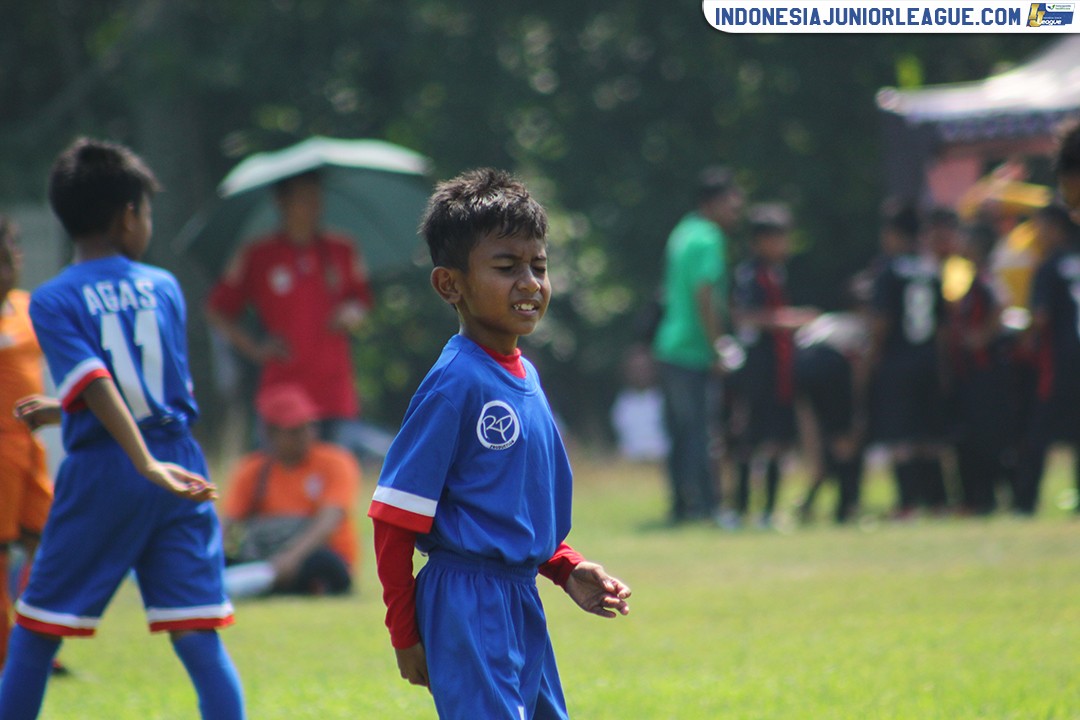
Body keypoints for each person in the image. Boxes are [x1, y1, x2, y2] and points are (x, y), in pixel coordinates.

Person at [368, 168, 631, 719]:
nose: (530, 283)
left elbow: (508, 508)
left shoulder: (526, 378)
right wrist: (404, 631)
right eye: (507, 267)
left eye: (539, 266)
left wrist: (564, 567)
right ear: (450, 284)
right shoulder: (455, 383)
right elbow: (395, 517)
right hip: (466, 599)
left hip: (518, 597)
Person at [0, 138, 244, 720]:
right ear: (129, 216)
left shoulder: (53, 297)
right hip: (178, 463)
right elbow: (149, 393)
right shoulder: (162, 285)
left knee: (35, 634)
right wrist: (149, 457)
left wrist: (132, 458)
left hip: (109, 469)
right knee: (198, 636)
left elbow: (100, 383)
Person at [205, 170, 374, 447]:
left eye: (317, 198)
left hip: (333, 387)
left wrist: (351, 314)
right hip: (282, 387)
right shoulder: (258, 255)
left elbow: (362, 300)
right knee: (279, 480)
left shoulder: (341, 249)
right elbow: (217, 310)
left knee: (333, 475)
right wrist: (255, 348)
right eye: (304, 198)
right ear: (281, 203)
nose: (314, 206)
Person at [652, 166, 743, 523]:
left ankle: (679, 507)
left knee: (679, 435)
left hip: (668, 345)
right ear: (716, 202)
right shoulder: (709, 238)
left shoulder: (682, 232)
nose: (735, 212)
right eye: (732, 204)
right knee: (702, 434)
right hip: (692, 349)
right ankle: (706, 509)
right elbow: (704, 294)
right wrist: (717, 344)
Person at [221, 383, 360, 596]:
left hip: (313, 553)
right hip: (266, 555)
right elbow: (228, 523)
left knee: (324, 566)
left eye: (309, 426)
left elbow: (328, 522)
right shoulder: (254, 470)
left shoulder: (335, 462)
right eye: (295, 431)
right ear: (270, 433)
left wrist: (291, 558)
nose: (305, 435)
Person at [726, 203, 816, 528]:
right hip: (757, 367)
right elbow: (745, 316)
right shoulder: (750, 275)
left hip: (780, 368)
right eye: (777, 238)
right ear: (760, 241)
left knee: (779, 441)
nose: (784, 245)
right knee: (749, 441)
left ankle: (768, 512)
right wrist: (789, 321)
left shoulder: (777, 273)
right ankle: (739, 510)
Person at [864, 201, 949, 518]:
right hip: (928, 359)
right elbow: (942, 326)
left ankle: (908, 501)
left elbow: (882, 322)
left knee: (901, 437)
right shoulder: (931, 268)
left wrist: (872, 357)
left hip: (898, 362)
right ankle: (938, 501)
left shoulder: (888, 270)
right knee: (930, 436)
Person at [0, 218, 55, 672]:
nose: (8, 265)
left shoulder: (26, 307)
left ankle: (40, 644)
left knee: (53, 539)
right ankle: (7, 655)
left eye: (11, 253)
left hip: (30, 446)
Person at [1014, 203, 1080, 515]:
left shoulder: (1048, 266)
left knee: (1037, 432)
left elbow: (1040, 317)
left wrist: (1024, 342)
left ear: (1054, 227)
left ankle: (1025, 501)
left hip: (1058, 363)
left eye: (1039, 227)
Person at [947, 222, 1013, 515]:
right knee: (969, 438)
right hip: (969, 373)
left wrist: (981, 337)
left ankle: (988, 497)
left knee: (985, 438)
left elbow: (1002, 305)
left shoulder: (986, 279)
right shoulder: (969, 281)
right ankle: (974, 498)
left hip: (984, 374)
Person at [609, 345, 669, 462]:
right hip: (631, 467)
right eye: (635, 369)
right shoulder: (621, 403)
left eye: (644, 368)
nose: (640, 373)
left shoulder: (664, 399)